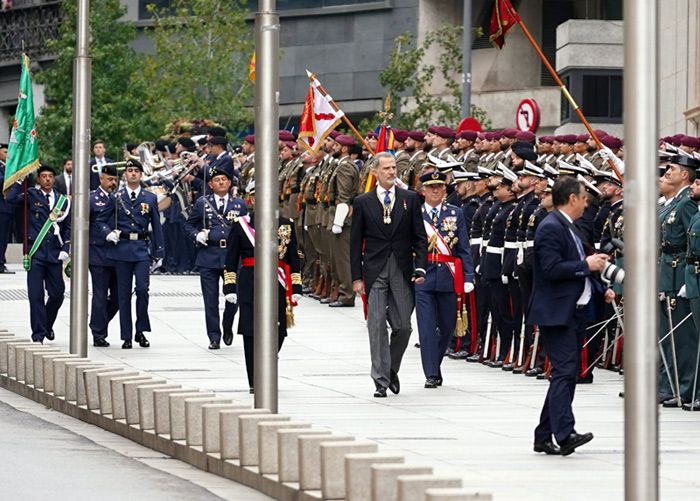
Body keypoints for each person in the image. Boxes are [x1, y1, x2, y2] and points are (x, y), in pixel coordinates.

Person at [527, 176, 613, 456]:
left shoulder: (570, 227)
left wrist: (600, 284)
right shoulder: (551, 227)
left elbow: (581, 265)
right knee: (565, 371)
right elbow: (552, 269)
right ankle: (564, 434)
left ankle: (543, 435)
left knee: (566, 372)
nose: (587, 203)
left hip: (574, 310)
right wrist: (585, 265)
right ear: (572, 199)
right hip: (556, 311)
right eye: (584, 198)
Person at [350, 151, 428, 398]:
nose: (392, 172)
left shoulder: (410, 199)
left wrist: (421, 266)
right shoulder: (363, 202)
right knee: (376, 326)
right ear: (375, 172)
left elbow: (420, 238)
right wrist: (356, 277)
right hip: (374, 270)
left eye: (394, 167)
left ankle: (391, 368)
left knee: (403, 326)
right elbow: (354, 243)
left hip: (402, 269)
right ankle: (380, 380)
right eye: (386, 168)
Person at [222, 181, 302, 393]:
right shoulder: (241, 225)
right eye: (258, 196)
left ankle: (268, 360)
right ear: (251, 199)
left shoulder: (286, 224)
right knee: (250, 330)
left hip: (278, 281)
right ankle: (254, 380)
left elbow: (294, 257)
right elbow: (230, 259)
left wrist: (297, 286)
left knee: (279, 330)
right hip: (250, 279)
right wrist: (229, 287)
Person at [415, 170, 474, 388]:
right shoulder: (415, 213)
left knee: (448, 326)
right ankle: (431, 373)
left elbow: (464, 247)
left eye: (439, 186)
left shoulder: (455, 213)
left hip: (449, 275)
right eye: (431, 187)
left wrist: (469, 275)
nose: (436, 190)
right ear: (423, 191)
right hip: (423, 276)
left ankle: (435, 364)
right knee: (427, 327)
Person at [101, 159, 164, 349]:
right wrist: (108, 233)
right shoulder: (116, 197)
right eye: (129, 171)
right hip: (122, 248)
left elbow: (156, 225)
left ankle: (141, 330)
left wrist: (159, 251)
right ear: (125, 175)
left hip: (142, 248)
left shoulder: (149, 197)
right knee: (123, 295)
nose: (133, 173)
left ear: (141, 174)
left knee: (143, 290)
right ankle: (126, 335)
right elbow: (101, 220)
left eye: (136, 170)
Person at [6, 164, 71, 343]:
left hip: (55, 254)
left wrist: (66, 248)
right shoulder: (31, 196)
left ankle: (47, 324)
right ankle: (38, 335)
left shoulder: (62, 201)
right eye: (44, 176)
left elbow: (67, 228)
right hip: (35, 253)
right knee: (36, 296)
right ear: (39, 179)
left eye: (51, 176)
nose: (48, 179)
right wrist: (20, 178)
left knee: (57, 294)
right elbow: (10, 199)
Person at [185, 168, 247, 349]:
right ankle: (214, 336)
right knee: (210, 300)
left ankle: (227, 324)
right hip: (209, 256)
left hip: (232, 257)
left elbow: (245, 229)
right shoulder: (202, 203)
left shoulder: (239, 204)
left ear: (229, 183)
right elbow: (188, 225)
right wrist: (197, 235)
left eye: (224, 179)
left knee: (233, 297)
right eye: (217, 180)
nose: (220, 182)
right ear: (210, 185)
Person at [89, 165, 120, 347]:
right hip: (98, 253)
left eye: (115, 180)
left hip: (118, 255)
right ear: (101, 179)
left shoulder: (120, 199)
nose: (112, 183)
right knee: (100, 296)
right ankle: (98, 333)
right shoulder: (92, 199)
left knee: (118, 297)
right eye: (109, 179)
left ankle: (98, 323)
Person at [0, 141, 16, 274]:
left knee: (5, 237)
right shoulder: (4, 169)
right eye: (5, 152)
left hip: (8, 208)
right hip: (1, 207)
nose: (8, 154)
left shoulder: (8, 167)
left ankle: (1, 261)